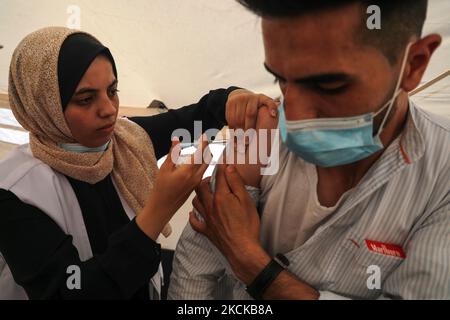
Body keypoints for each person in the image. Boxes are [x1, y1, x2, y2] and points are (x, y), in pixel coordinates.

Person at [169, 0, 449, 300]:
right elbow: (196, 263)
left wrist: (250, 262)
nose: (294, 113)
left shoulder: (441, 174)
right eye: (281, 78)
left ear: (414, 64)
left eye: (329, 85)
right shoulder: (265, 129)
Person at [0, 27, 277, 300]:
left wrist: (232, 98)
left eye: (112, 90)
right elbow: (69, 288)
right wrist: (158, 211)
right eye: (85, 99)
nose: (108, 110)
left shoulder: (125, 140)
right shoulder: (15, 191)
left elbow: (197, 117)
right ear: (43, 105)